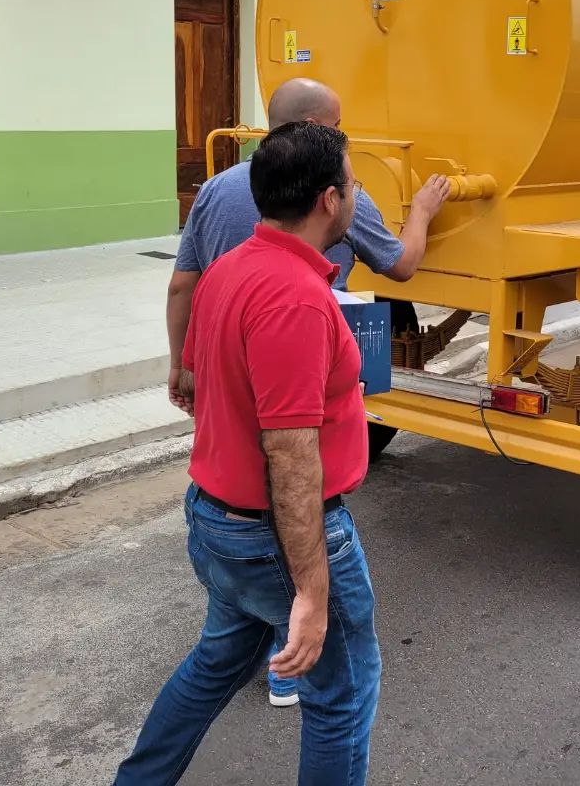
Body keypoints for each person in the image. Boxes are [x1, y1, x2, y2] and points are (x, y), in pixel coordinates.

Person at [167, 76, 448, 708]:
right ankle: (288, 663)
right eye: (338, 129)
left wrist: (182, 364)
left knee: (221, 628)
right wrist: (423, 212)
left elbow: (183, 283)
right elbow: (401, 264)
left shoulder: (218, 194)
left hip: (222, 378)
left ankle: (263, 643)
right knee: (285, 505)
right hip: (293, 366)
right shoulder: (305, 274)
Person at [116, 122, 381, 786]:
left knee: (214, 666)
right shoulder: (296, 299)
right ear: (329, 200)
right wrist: (312, 591)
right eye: (353, 184)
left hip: (218, 520)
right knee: (341, 697)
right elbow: (290, 455)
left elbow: (206, 385)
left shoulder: (228, 270)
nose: (356, 195)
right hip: (271, 538)